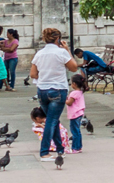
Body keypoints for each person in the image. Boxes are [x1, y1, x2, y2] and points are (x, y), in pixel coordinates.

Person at [29, 28, 80, 161]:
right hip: (58, 89)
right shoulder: (61, 52)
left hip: (42, 90)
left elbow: (33, 74)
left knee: (53, 119)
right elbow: (74, 67)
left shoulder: (39, 54)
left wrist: (45, 74)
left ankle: (60, 149)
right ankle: (44, 152)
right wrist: (67, 50)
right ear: (58, 39)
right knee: (51, 121)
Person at [65, 74, 89, 153]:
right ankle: (79, 147)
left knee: (74, 132)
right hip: (79, 113)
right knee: (77, 131)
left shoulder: (74, 93)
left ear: (74, 84)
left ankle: (75, 148)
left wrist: (63, 99)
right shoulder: (80, 92)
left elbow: (69, 103)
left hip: (74, 114)